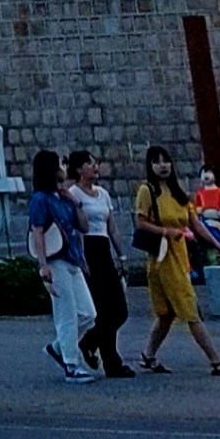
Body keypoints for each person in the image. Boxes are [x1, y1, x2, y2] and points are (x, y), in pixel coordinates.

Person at [135, 146, 220, 376]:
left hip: (180, 256)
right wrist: (165, 231)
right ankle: (216, 361)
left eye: (166, 161)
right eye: (157, 162)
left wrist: (219, 245)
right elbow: (141, 223)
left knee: (167, 313)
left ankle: (148, 356)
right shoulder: (147, 191)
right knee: (189, 307)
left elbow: (195, 224)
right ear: (150, 165)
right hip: (162, 258)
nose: (163, 166)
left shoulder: (178, 192)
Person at [27, 147, 97, 382]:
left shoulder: (64, 197)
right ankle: (71, 364)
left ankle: (58, 348)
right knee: (67, 314)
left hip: (72, 259)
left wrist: (75, 202)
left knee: (88, 313)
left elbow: (83, 228)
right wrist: (43, 264)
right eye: (61, 164)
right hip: (55, 261)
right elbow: (37, 232)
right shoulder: (40, 199)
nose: (64, 168)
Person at [71, 150, 133, 377]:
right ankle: (112, 362)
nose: (94, 166)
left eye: (95, 162)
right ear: (79, 169)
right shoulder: (73, 193)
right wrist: (80, 259)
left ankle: (89, 342)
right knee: (104, 310)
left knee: (119, 310)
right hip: (88, 251)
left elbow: (111, 227)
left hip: (104, 249)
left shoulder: (103, 194)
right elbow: (74, 229)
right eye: (88, 163)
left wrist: (121, 255)